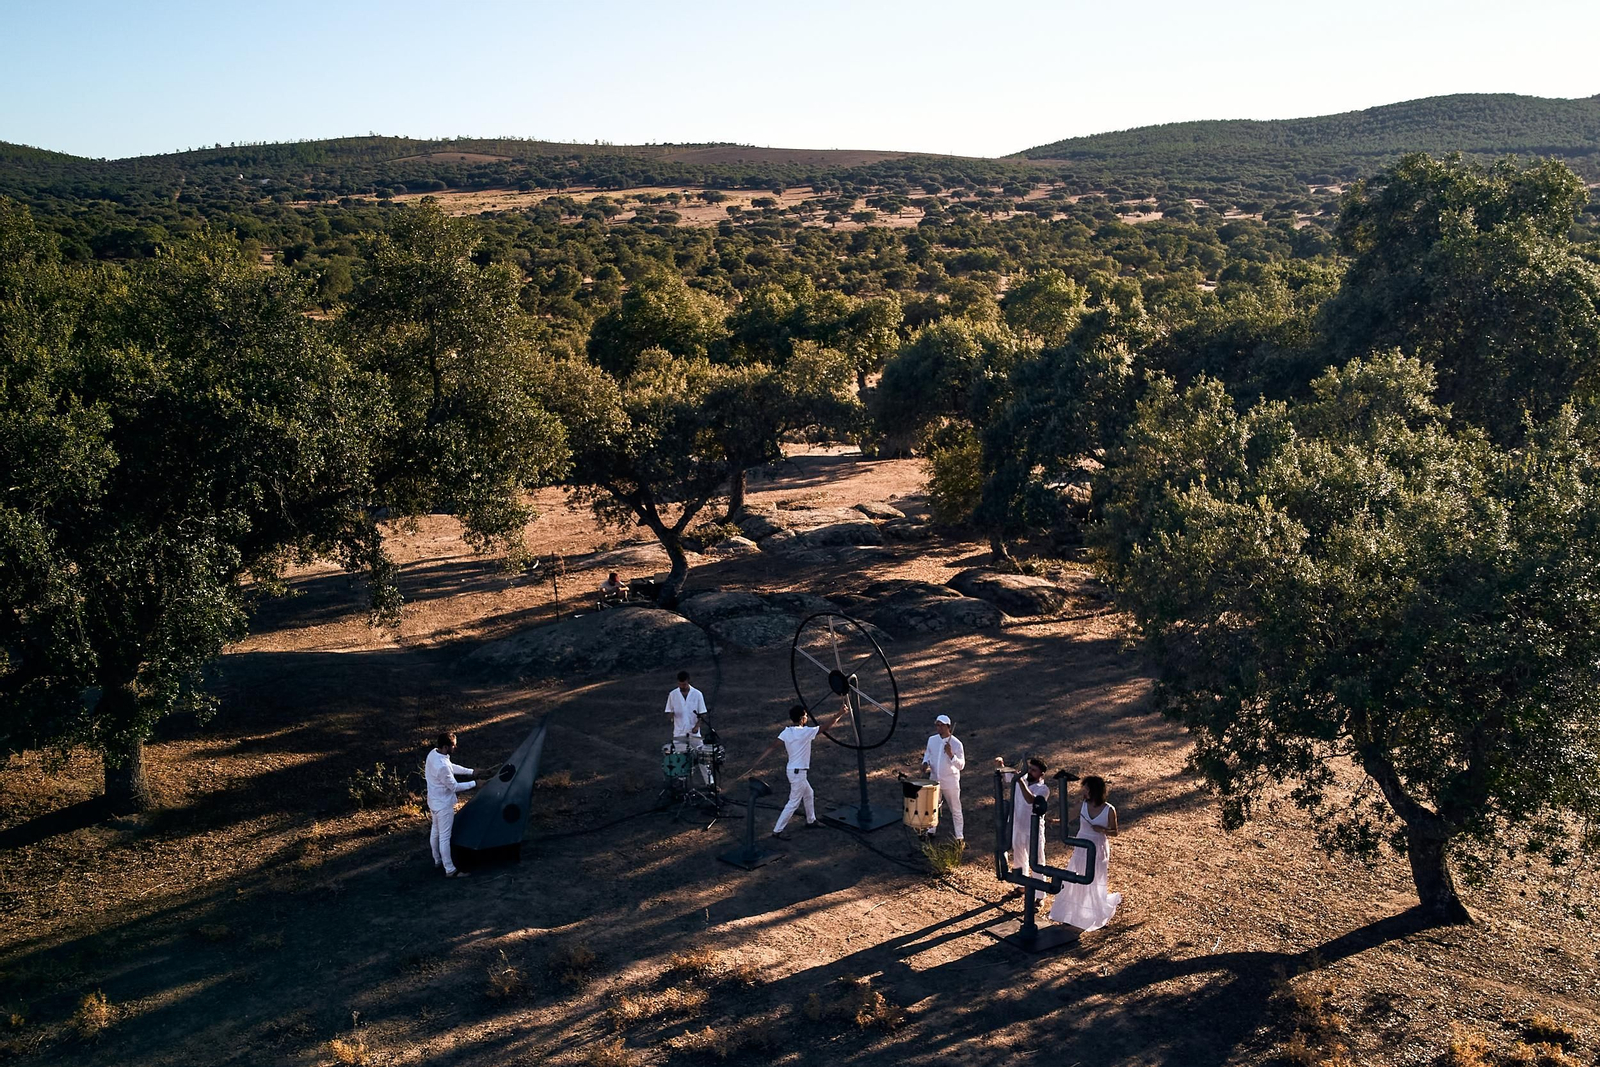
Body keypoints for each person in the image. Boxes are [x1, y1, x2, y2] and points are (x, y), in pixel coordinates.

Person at [1048, 775, 1122, 931]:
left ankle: (1095, 912)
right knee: (1076, 876)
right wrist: (1053, 821)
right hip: (1081, 845)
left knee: (1094, 877)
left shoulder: (1109, 809)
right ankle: (1072, 913)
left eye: (1087, 789)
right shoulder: (1083, 805)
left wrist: (1101, 829)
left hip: (1098, 846)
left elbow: (1115, 832)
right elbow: (1067, 819)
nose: (1084, 791)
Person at [996, 757, 1051, 904]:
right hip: (1018, 825)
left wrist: (1020, 781)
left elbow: (1031, 800)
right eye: (1030, 768)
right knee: (1019, 855)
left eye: (1034, 770)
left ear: (1041, 774)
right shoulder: (1023, 778)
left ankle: (1040, 896)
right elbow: (1007, 777)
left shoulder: (1043, 789)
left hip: (1033, 829)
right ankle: (1021, 885)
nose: (1031, 772)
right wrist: (1001, 765)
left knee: (1038, 860)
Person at [425, 731, 479, 879]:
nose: (455, 748)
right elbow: (454, 786)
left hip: (433, 801)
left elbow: (450, 766)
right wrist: (475, 783)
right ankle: (450, 869)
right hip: (443, 805)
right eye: (453, 746)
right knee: (444, 837)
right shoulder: (441, 766)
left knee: (435, 831)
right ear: (445, 747)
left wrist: (471, 772)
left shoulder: (433, 754)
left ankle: (437, 859)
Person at [771, 705, 824, 838]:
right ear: (801, 718)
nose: (807, 717)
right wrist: (838, 715)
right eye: (805, 715)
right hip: (798, 772)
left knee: (809, 793)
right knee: (793, 802)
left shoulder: (787, 731)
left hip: (792, 770)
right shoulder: (804, 732)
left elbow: (775, 744)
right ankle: (777, 830)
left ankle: (811, 820)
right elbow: (824, 728)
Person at [920, 714, 966, 844]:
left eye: (941, 725)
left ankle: (959, 836)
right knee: (933, 805)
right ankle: (931, 830)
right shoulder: (932, 740)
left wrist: (951, 755)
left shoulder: (956, 744)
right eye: (937, 725)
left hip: (950, 781)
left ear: (948, 727)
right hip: (934, 779)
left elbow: (961, 765)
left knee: (955, 808)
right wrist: (925, 763)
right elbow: (928, 754)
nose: (938, 728)